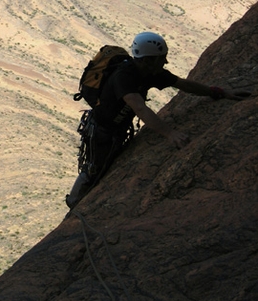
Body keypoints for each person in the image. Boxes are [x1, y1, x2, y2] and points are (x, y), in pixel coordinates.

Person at [66, 31, 248, 209]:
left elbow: (183, 84)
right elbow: (139, 108)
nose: (165, 61)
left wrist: (218, 92)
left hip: (115, 129)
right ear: (147, 60)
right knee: (94, 170)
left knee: (103, 168)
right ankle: (73, 203)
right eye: (162, 58)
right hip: (102, 131)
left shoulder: (150, 71)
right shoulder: (124, 77)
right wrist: (170, 134)